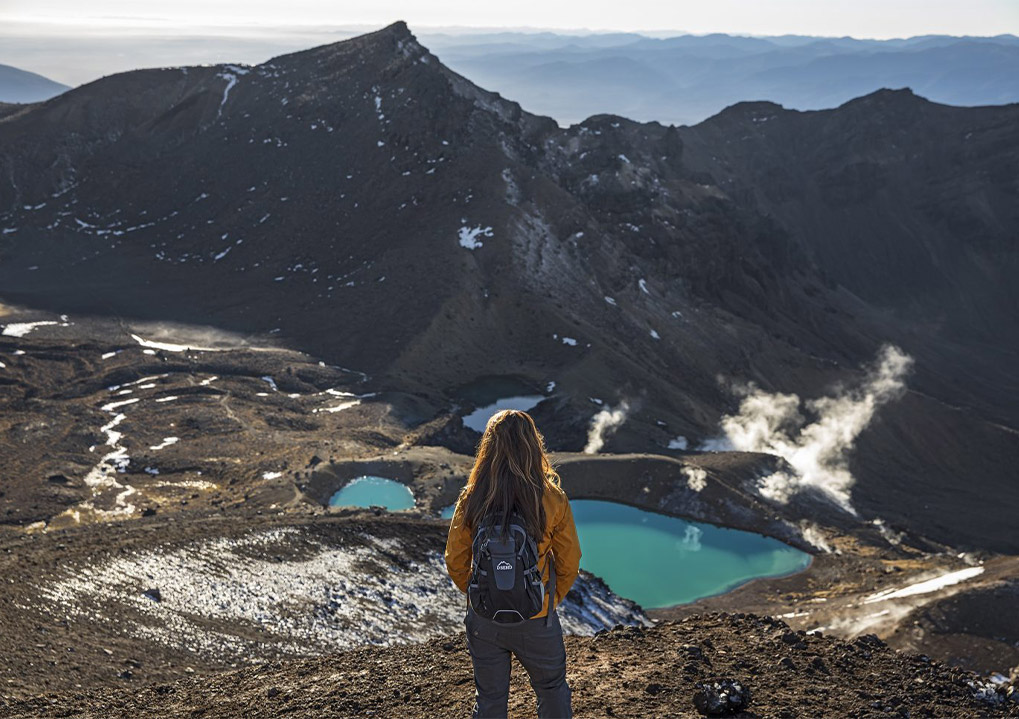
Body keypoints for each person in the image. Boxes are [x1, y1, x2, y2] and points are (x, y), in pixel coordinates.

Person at [445, 409, 582, 719]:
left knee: (491, 698)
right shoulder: (551, 498)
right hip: (536, 617)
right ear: (533, 445)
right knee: (551, 689)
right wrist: (548, 600)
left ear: (488, 447)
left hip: (484, 619)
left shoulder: (472, 498)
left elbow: (455, 560)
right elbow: (569, 561)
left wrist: (480, 593)